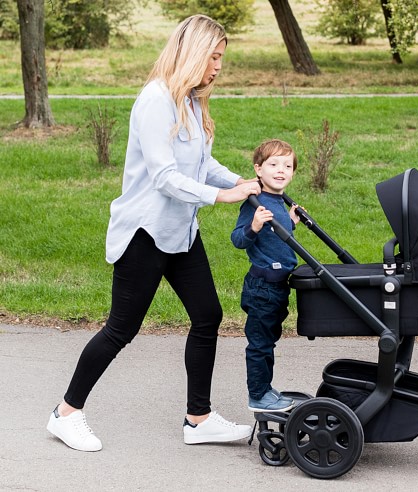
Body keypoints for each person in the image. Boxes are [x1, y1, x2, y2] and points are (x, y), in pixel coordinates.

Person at [47, 14, 261, 452]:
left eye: (222, 59)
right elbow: (165, 177)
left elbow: (201, 165)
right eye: (214, 58)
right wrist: (221, 198)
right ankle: (65, 414)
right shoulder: (155, 100)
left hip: (180, 230)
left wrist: (242, 183)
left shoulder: (194, 100)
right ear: (193, 53)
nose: (218, 67)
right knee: (121, 329)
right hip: (144, 232)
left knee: (208, 316)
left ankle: (198, 420)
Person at [231, 139, 300, 413]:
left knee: (268, 341)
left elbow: (277, 240)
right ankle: (258, 395)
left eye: (287, 165)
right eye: (273, 164)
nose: (281, 170)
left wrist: (291, 223)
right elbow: (238, 239)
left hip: (278, 286)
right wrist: (254, 226)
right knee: (260, 345)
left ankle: (265, 389)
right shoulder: (255, 204)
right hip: (262, 287)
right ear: (258, 170)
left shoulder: (280, 201)